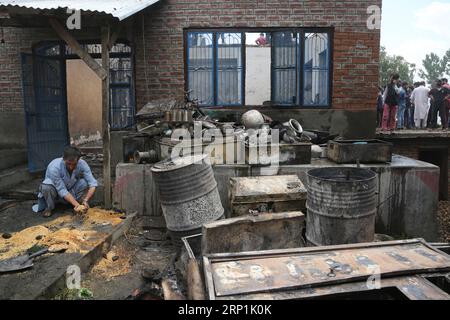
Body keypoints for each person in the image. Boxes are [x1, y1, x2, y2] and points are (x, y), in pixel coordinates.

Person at [34, 146, 98, 217]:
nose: (71, 167)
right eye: (68, 164)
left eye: (74, 164)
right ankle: (49, 207)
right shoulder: (54, 167)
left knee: (84, 182)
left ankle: (71, 203)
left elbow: (93, 184)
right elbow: (62, 190)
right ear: (63, 159)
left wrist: (86, 200)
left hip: (70, 190)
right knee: (46, 187)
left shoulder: (82, 164)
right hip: (55, 192)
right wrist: (77, 205)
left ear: (78, 160)